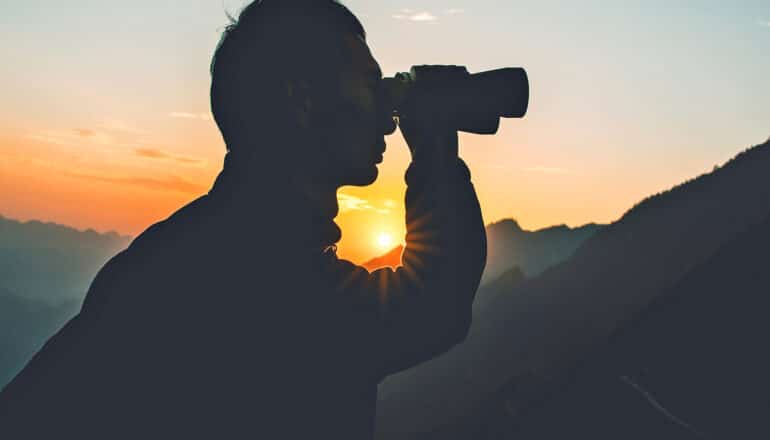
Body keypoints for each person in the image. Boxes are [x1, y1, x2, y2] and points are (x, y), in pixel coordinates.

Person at [0, 1, 486, 438]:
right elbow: (435, 306)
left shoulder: (179, 250)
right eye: (369, 82)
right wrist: (435, 147)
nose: (388, 113)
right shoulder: (259, 279)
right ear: (302, 99)